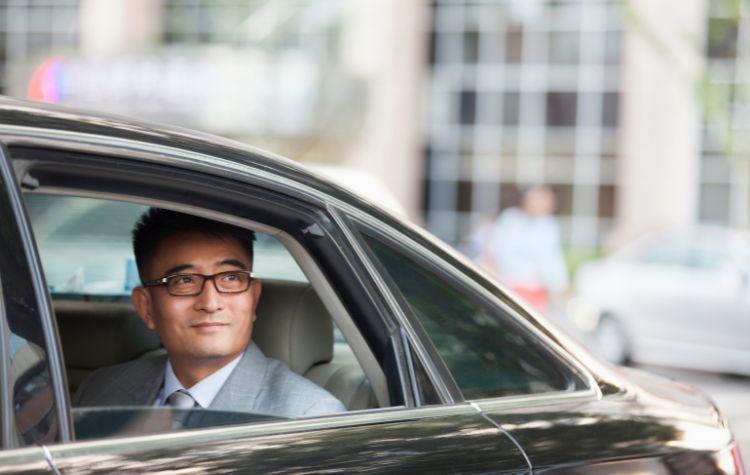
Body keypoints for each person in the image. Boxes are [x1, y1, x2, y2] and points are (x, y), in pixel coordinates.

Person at [74, 208, 345, 418]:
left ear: (254, 298)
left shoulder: (307, 416)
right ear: (146, 307)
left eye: (230, 278)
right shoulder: (101, 390)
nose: (211, 302)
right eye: (184, 281)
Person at [473, 185, 568, 314]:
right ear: (526, 200)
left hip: (537, 296)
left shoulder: (549, 225)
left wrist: (560, 288)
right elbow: (493, 254)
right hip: (509, 291)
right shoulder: (510, 220)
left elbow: (553, 262)